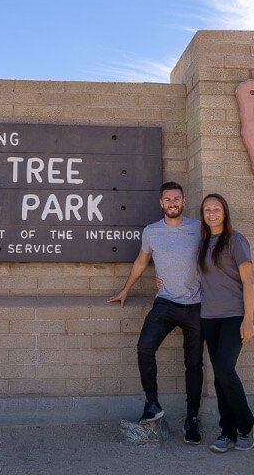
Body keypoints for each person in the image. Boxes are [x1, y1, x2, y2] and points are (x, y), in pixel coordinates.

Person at [108, 181, 204, 445]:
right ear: (161, 203)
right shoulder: (151, 232)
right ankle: (152, 403)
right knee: (144, 348)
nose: (172, 203)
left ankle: (192, 419)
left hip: (196, 306)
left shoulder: (198, 228)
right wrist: (126, 289)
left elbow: (214, 258)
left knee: (194, 364)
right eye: (167, 199)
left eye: (177, 199)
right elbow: (141, 262)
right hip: (165, 304)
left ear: (183, 201)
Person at [197, 193, 254, 453]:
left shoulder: (235, 240)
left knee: (224, 370)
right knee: (220, 378)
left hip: (233, 315)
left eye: (216, 209)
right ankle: (227, 432)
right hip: (209, 317)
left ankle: (246, 425)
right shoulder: (202, 243)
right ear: (203, 215)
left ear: (224, 212)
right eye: (207, 210)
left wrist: (249, 319)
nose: (212, 213)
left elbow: (248, 282)